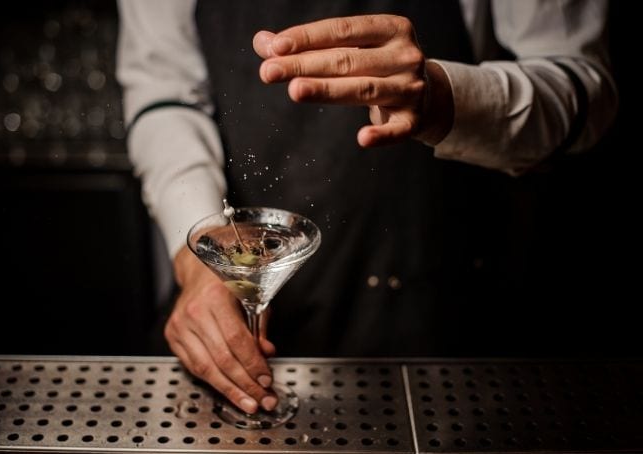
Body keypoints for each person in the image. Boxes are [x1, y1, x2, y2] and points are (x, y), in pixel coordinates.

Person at [116, 0, 617, 415]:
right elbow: (165, 94)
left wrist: (446, 98)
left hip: (448, 315)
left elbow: (584, 89)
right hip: (262, 289)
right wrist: (199, 256)